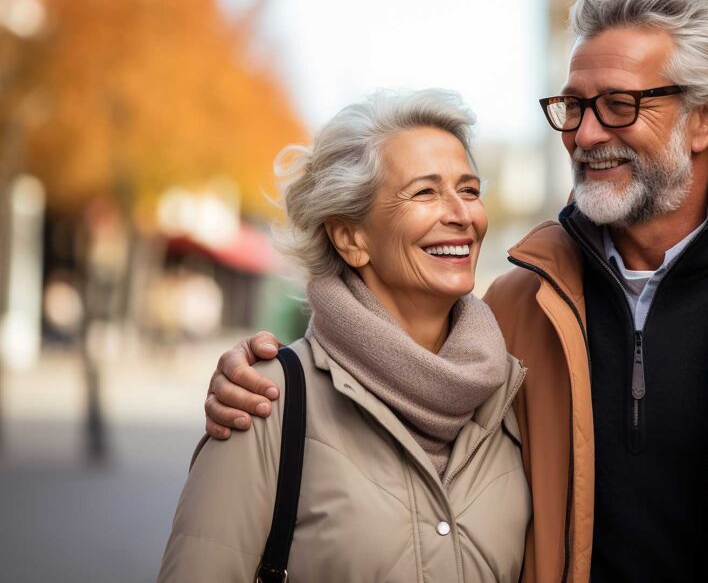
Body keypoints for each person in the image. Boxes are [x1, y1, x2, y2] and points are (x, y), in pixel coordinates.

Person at [203, 0, 708, 582]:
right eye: (572, 107)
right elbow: (389, 392)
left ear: (703, 118)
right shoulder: (510, 308)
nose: (584, 133)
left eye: (617, 105)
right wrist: (267, 377)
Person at [159, 89, 530, 582]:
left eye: (468, 189)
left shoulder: (514, 395)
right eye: (425, 192)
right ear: (350, 237)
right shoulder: (265, 401)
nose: (462, 215)